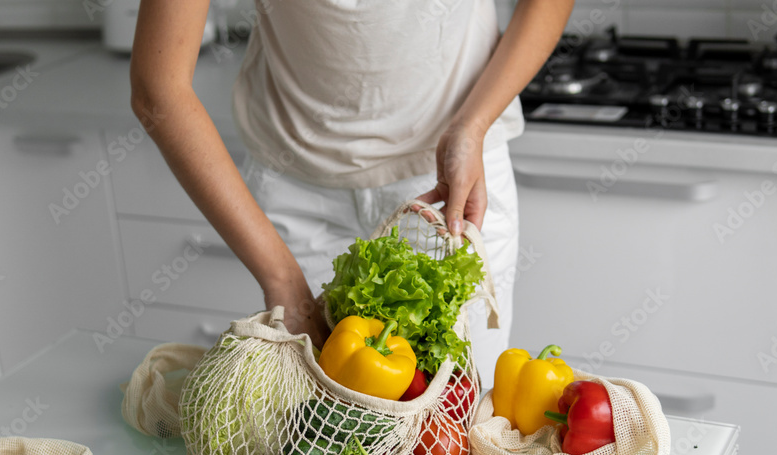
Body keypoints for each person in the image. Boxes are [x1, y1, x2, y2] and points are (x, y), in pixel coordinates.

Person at [130, 0, 573, 385]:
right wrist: (281, 277)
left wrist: (472, 125)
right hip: (297, 189)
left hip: (452, 184)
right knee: (314, 438)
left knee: (461, 427)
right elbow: (158, 89)